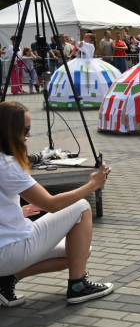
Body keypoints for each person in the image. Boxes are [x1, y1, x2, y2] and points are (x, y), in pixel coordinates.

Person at [0, 102, 114, 307]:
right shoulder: (7, 165)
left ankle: (6, 280)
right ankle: (78, 286)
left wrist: (13, 214)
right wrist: (92, 185)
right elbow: (51, 204)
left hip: (5, 250)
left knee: (80, 252)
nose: (29, 135)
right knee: (81, 207)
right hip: (8, 251)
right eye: (25, 130)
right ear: (10, 131)